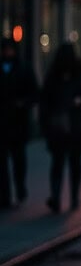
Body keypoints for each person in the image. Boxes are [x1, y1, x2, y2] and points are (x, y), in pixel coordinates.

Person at [39, 43, 81, 212]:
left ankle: (61, 197)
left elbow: (44, 103)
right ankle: (68, 198)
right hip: (66, 127)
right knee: (70, 163)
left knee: (60, 163)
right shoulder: (77, 78)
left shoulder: (57, 78)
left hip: (63, 128)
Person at [0, 38, 39, 208]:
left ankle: (20, 187)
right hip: (2, 123)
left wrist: (23, 104)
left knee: (18, 160)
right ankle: (4, 196)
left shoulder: (24, 68)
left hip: (18, 122)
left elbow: (34, 93)